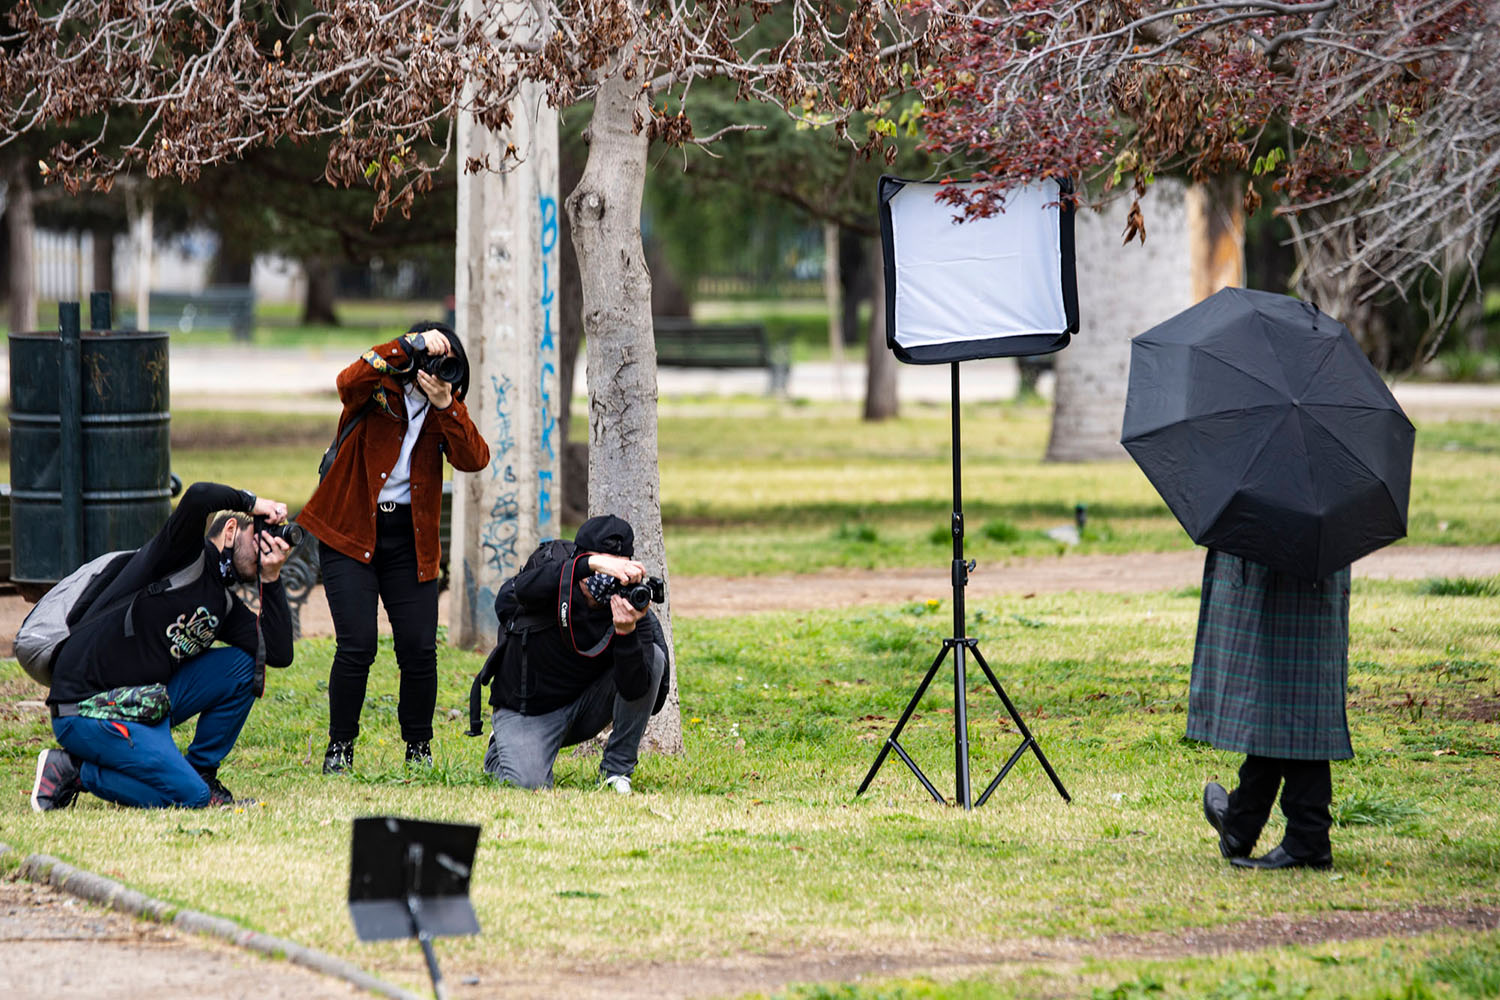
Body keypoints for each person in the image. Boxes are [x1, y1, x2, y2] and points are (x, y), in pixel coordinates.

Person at [30, 482, 295, 811]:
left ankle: (201, 772)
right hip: (86, 707)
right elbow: (198, 496)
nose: (267, 547)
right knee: (193, 798)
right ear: (230, 530)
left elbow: (278, 653)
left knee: (244, 664)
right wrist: (254, 504)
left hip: (143, 703)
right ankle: (74, 770)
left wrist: (271, 577)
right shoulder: (179, 554)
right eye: (259, 535)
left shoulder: (223, 605)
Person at [297, 322, 490, 773]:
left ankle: (418, 749)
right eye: (431, 359)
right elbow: (346, 381)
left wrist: (446, 405)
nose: (436, 371)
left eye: (447, 365)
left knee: (420, 648)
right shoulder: (377, 388)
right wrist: (406, 345)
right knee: (358, 644)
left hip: (410, 539)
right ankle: (339, 748)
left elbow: (474, 458)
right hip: (351, 529)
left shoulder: (445, 408)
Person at [482, 515, 669, 795]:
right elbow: (520, 589)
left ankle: (616, 772)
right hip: (529, 712)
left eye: (619, 567)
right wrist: (588, 565)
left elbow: (635, 690)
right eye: (605, 566)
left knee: (652, 657)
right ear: (583, 560)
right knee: (529, 785)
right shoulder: (552, 578)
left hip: (583, 708)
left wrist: (626, 632)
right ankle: (501, 747)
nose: (610, 578)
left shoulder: (628, 603)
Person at [1191, 548, 1352, 870]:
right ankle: (1242, 821)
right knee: (1279, 694)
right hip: (1293, 555)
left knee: (1297, 696)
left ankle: (1307, 839)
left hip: (1294, 561)